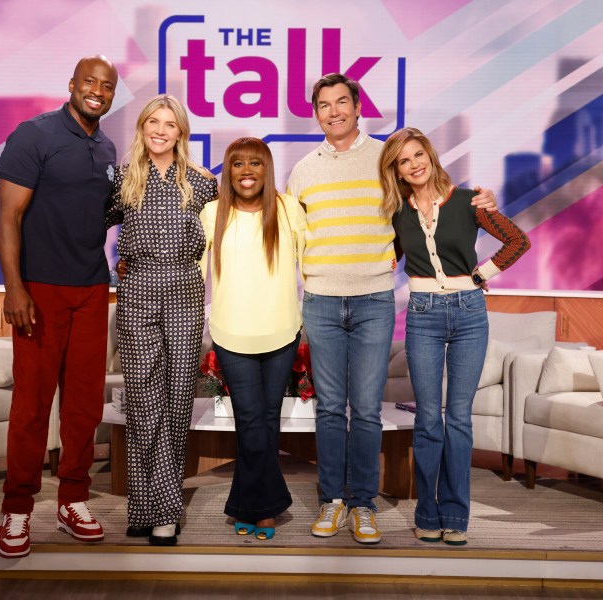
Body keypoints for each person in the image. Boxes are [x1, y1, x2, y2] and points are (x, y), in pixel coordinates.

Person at [286, 73, 498, 545]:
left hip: (374, 300)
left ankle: (362, 503)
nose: (334, 111)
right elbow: (295, 235)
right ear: (315, 113)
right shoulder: (302, 171)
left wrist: (481, 201)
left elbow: (427, 207)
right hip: (320, 301)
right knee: (328, 409)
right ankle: (331, 501)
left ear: (358, 107)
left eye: (343, 102)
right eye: (324, 105)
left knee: (364, 410)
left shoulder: (386, 160)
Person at [379, 127, 530, 546]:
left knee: (459, 419)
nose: (414, 164)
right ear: (397, 171)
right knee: (429, 420)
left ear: (430, 154)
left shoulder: (468, 201)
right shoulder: (396, 213)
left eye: (418, 154)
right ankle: (427, 513)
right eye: (404, 161)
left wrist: (483, 274)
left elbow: (518, 240)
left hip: (469, 314)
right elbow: (382, 257)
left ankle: (456, 517)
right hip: (423, 315)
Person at [0, 55, 118, 559]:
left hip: (91, 290)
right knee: (31, 405)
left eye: (107, 86)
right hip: (39, 289)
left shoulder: (107, 147)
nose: (98, 90)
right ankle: (16, 511)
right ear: (71, 85)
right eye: (89, 81)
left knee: (84, 407)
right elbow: (8, 217)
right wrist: (14, 288)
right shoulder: (34, 135)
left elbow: (106, 219)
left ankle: (73, 501)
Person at [105, 94, 217, 546]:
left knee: (174, 401)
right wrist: (115, 269)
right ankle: (149, 506)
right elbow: (85, 225)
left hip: (186, 289)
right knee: (142, 399)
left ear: (181, 132)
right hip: (136, 291)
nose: (161, 129)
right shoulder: (123, 180)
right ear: (142, 127)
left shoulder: (202, 182)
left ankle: (157, 507)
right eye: (154, 121)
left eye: (170, 124)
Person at [198, 138, 307, 541]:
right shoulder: (212, 213)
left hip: (281, 332)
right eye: (238, 163)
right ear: (228, 171)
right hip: (231, 334)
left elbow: (313, 259)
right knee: (248, 421)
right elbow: (192, 270)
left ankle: (246, 505)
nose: (246, 170)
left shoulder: (288, 208)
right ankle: (267, 507)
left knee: (266, 421)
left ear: (267, 169)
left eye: (255, 163)